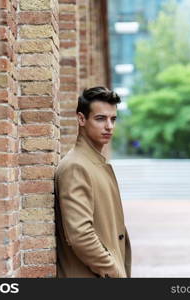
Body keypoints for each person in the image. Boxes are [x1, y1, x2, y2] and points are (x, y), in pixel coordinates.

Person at [54, 86, 132, 278]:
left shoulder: (93, 163)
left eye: (113, 119)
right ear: (81, 119)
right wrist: (114, 271)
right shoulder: (76, 167)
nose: (109, 126)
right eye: (100, 119)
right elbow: (80, 235)